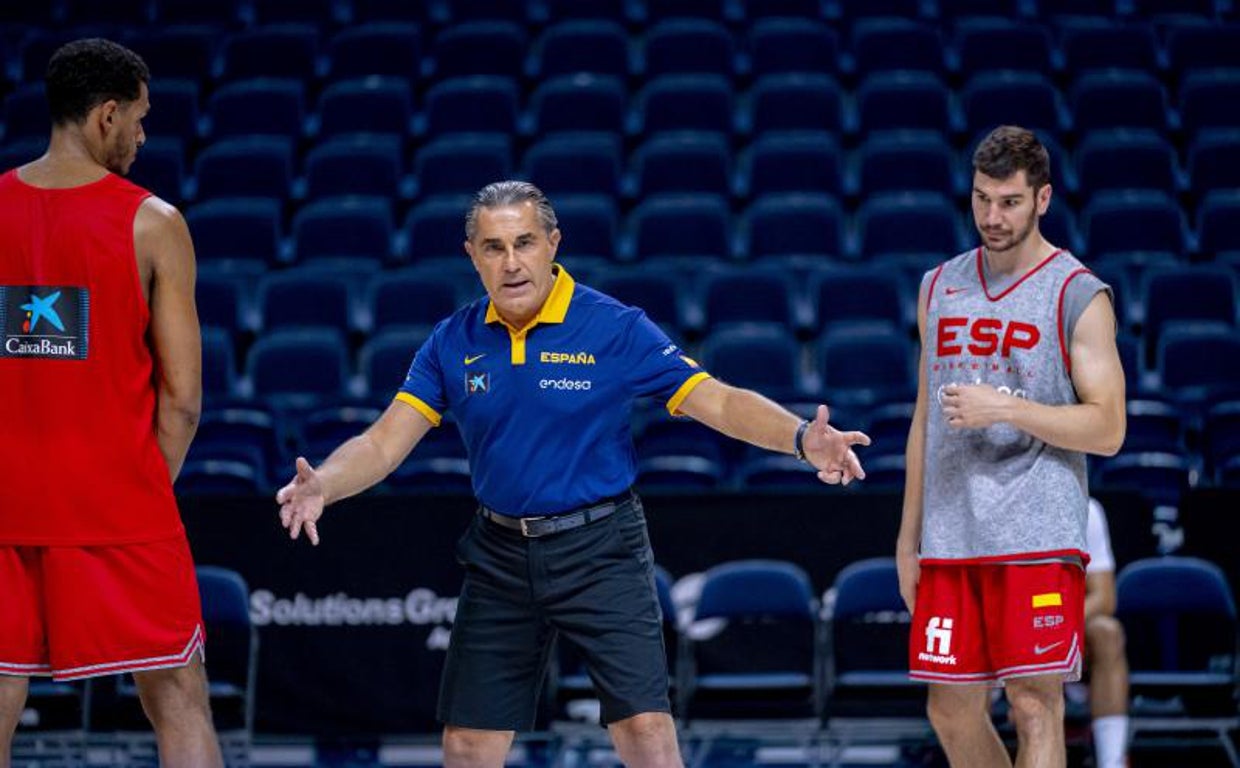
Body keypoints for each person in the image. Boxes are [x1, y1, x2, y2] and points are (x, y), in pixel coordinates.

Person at [277, 180, 871, 768]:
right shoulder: (451, 341)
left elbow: (715, 400)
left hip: (601, 548)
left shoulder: (613, 327)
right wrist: (325, 483)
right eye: (493, 247)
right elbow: (383, 442)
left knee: (645, 732)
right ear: (472, 255)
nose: (511, 263)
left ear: (553, 243)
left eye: (525, 242)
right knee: (468, 744)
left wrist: (799, 438)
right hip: (500, 554)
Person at [0, 39, 222, 767]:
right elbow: (183, 399)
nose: (142, 135)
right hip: (118, 503)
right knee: (181, 707)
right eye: (139, 118)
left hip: (6, 501)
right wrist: (139, 489)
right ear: (105, 116)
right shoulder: (154, 222)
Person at [896, 126, 1126, 768]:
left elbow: (1109, 429)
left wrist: (1006, 407)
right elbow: (924, 418)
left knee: (1033, 703)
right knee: (948, 709)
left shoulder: (1078, 293)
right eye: (981, 199)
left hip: (1036, 527)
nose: (992, 218)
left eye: (1010, 202)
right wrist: (907, 536)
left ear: (1043, 199)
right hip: (950, 528)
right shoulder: (938, 286)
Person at [1082, 498, 1129, 768]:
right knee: (970, 630)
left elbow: (1104, 597)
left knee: (1107, 632)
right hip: (1001, 621)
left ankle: (1112, 762)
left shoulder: (1087, 509)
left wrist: (1054, 627)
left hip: (1059, 622)